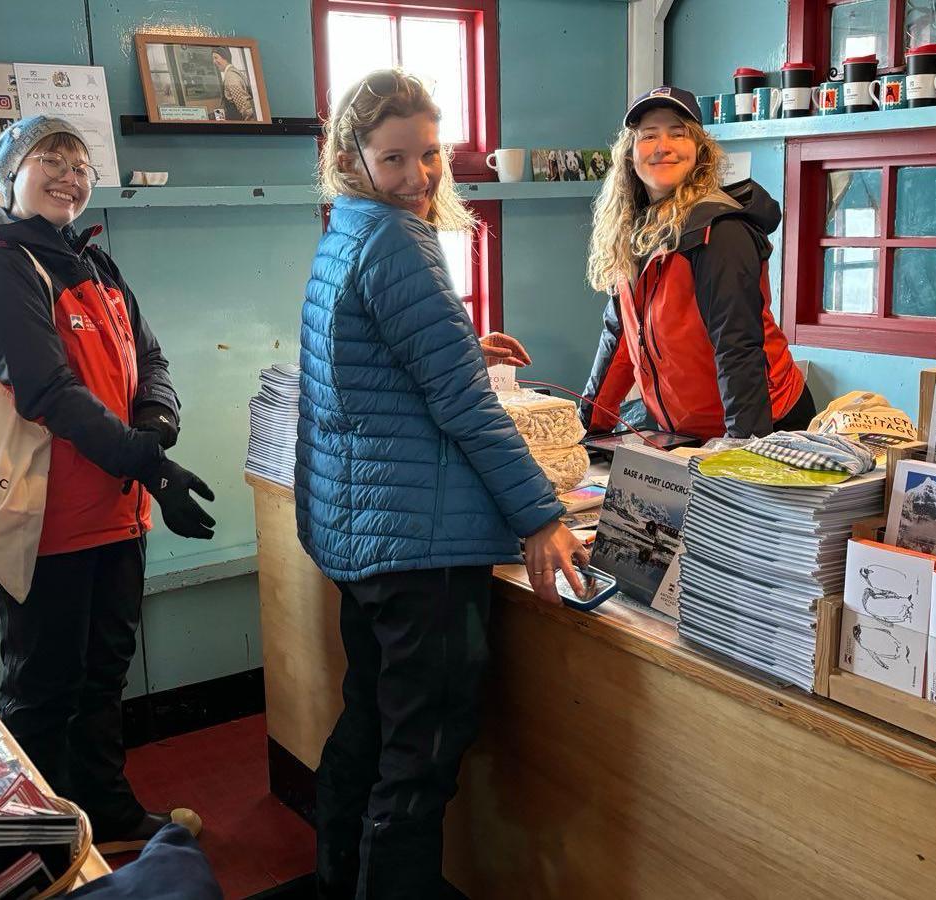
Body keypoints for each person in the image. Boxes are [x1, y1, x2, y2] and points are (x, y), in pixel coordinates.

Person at [297, 69, 588, 899]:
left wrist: (461, 342)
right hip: (423, 549)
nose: (420, 176)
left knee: (368, 727)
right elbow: (463, 406)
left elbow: (366, 365)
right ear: (352, 157)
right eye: (396, 158)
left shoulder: (350, 230)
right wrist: (541, 514)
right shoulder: (394, 239)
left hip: (369, 540)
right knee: (417, 761)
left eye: (431, 154)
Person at [0, 116, 216, 853]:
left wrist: (155, 424)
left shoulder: (92, 262)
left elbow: (151, 356)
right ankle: (36, 848)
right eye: (49, 160)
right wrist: (152, 465)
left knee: (103, 676)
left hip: (117, 514)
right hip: (44, 522)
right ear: (11, 174)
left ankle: (108, 812)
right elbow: (47, 391)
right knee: (43, 690)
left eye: (79, 162)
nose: (69, 174)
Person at [581, 85, 815, 440]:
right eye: (649, 136)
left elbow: (736, 346)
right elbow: (620, 342)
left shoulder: (718, 230)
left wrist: (742, 455)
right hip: (687, 431)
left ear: (699, 151)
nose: (663, 147)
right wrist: (587, 428)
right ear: (630, 153)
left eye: (678, 134)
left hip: (763, 425)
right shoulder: (634, 234)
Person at [211, 47, 255, 121]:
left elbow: (246, 110)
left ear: (225, 57)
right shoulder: (232, 73)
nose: (214, 61)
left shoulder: (231, 76)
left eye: (216, 58)